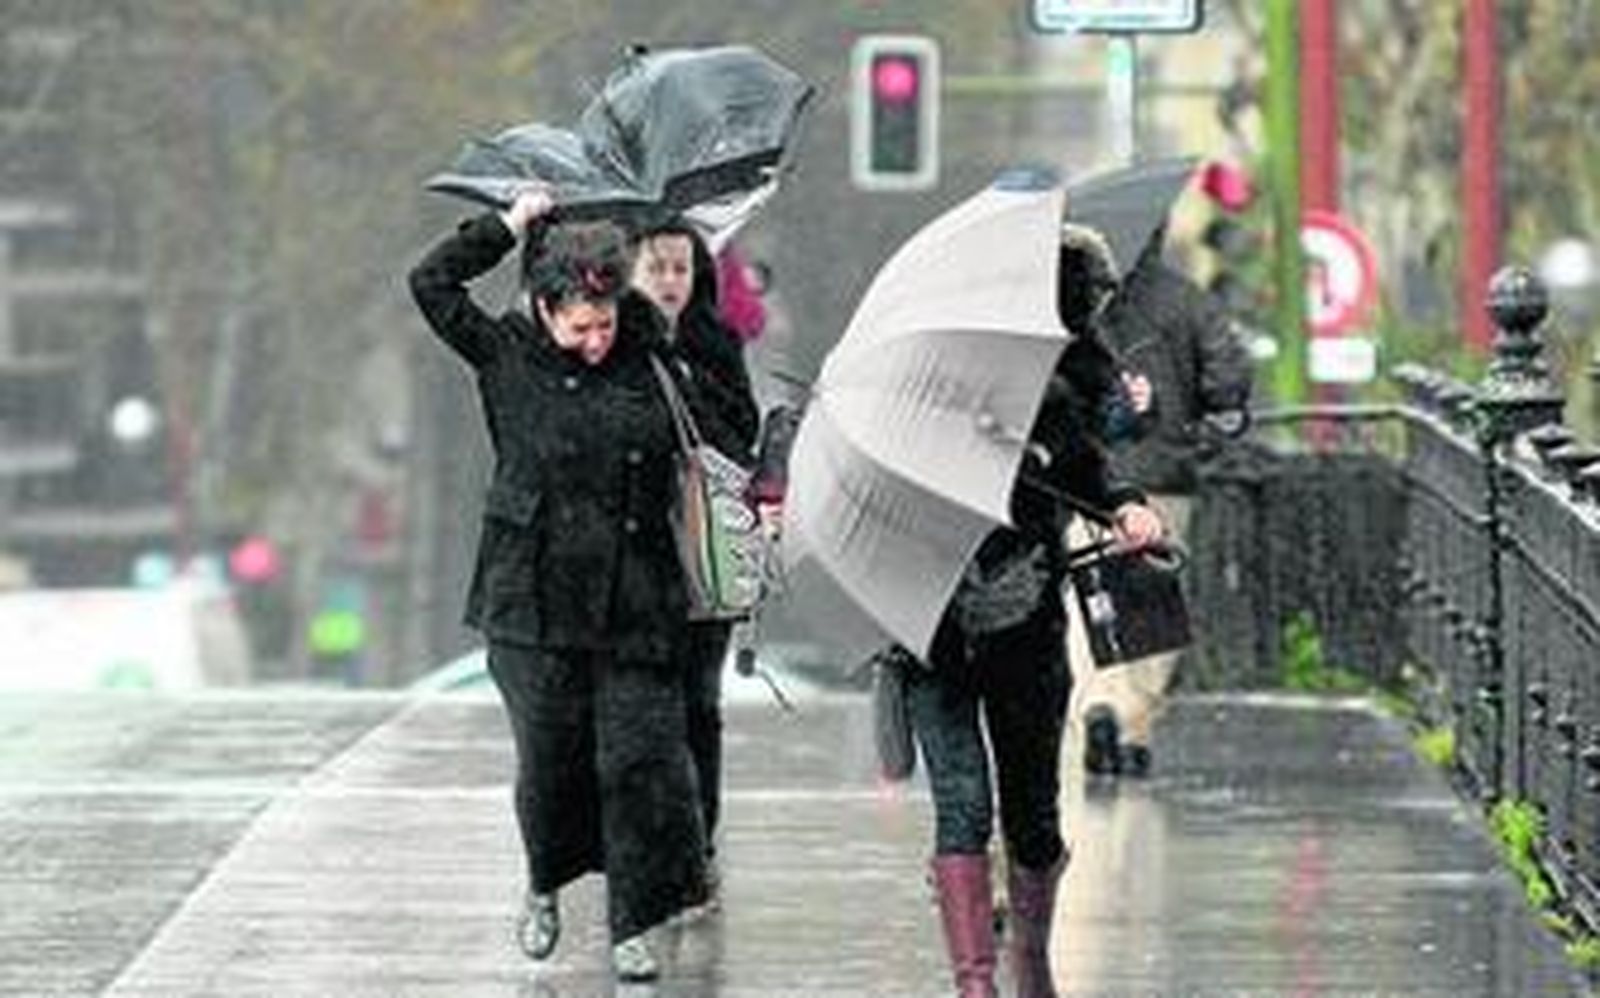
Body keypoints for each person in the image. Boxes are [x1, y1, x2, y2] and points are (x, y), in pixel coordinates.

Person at [408, 188, 708, 983]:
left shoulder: (654, 355)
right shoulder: (503, 354)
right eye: (580, 326)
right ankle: (544, 882)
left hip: (638, 602)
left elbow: (701, 442)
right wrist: (507, 226)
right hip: (532, 601)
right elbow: (431, 283)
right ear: (545, 309)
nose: (595, 341)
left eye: (606, 322)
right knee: (553, 764)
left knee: (639, 762)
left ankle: (631, 921)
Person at [883, 223, 1164, 998]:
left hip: (1026, 625)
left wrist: (1128, 507)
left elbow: (1091, 475)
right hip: (929, 632)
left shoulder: (1057, 394)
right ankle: (975, 984)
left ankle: (1031, 965)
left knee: (1033, 819)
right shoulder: (911, 384)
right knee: (962, 809)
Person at [1071, 223, 1252, 778]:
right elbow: (1229, 378)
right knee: (1153, 607)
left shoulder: (1075, 303)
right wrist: (1204, 413)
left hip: (1087, 479)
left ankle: (1096, 703)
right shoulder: (1187, 300)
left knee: (1091, 599)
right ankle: (1132, 721)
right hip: (1165, 477)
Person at [628, 218, 760, 909]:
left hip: (706, 550)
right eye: (658, 269)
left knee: (698, 707)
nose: (672, 282)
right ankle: (652, 844)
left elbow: (743, 431)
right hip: (640, 553)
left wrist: (694, 402)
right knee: (645, 710)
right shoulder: (616, 344)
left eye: (681, 268)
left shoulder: (715, 343)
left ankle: (697, 846)